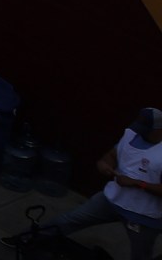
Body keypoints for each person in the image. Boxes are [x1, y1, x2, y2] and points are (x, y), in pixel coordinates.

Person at [19, 105, 162, 260]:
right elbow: (112, 155)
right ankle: (25, 238)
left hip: (141, 215)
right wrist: (104, 162)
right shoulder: (131, 135)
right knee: (70, 220)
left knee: (141, 254)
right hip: (111, 199)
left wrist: (136, 183)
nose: (139, 131)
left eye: (145, 128)